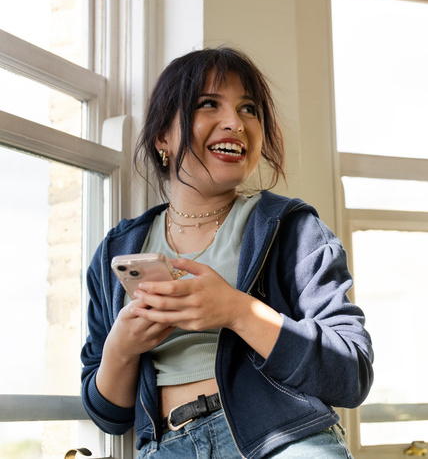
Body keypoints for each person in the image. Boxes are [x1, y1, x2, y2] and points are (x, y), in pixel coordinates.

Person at [80, 46, 374, 459]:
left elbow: (350, 373)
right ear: (163, 135)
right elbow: (108, 414)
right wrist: (122, 348)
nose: (235, 123)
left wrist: (238, 311)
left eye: (249, 109)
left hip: (284, 441)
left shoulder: (291, 228)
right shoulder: (118, 249)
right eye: (208, 104)